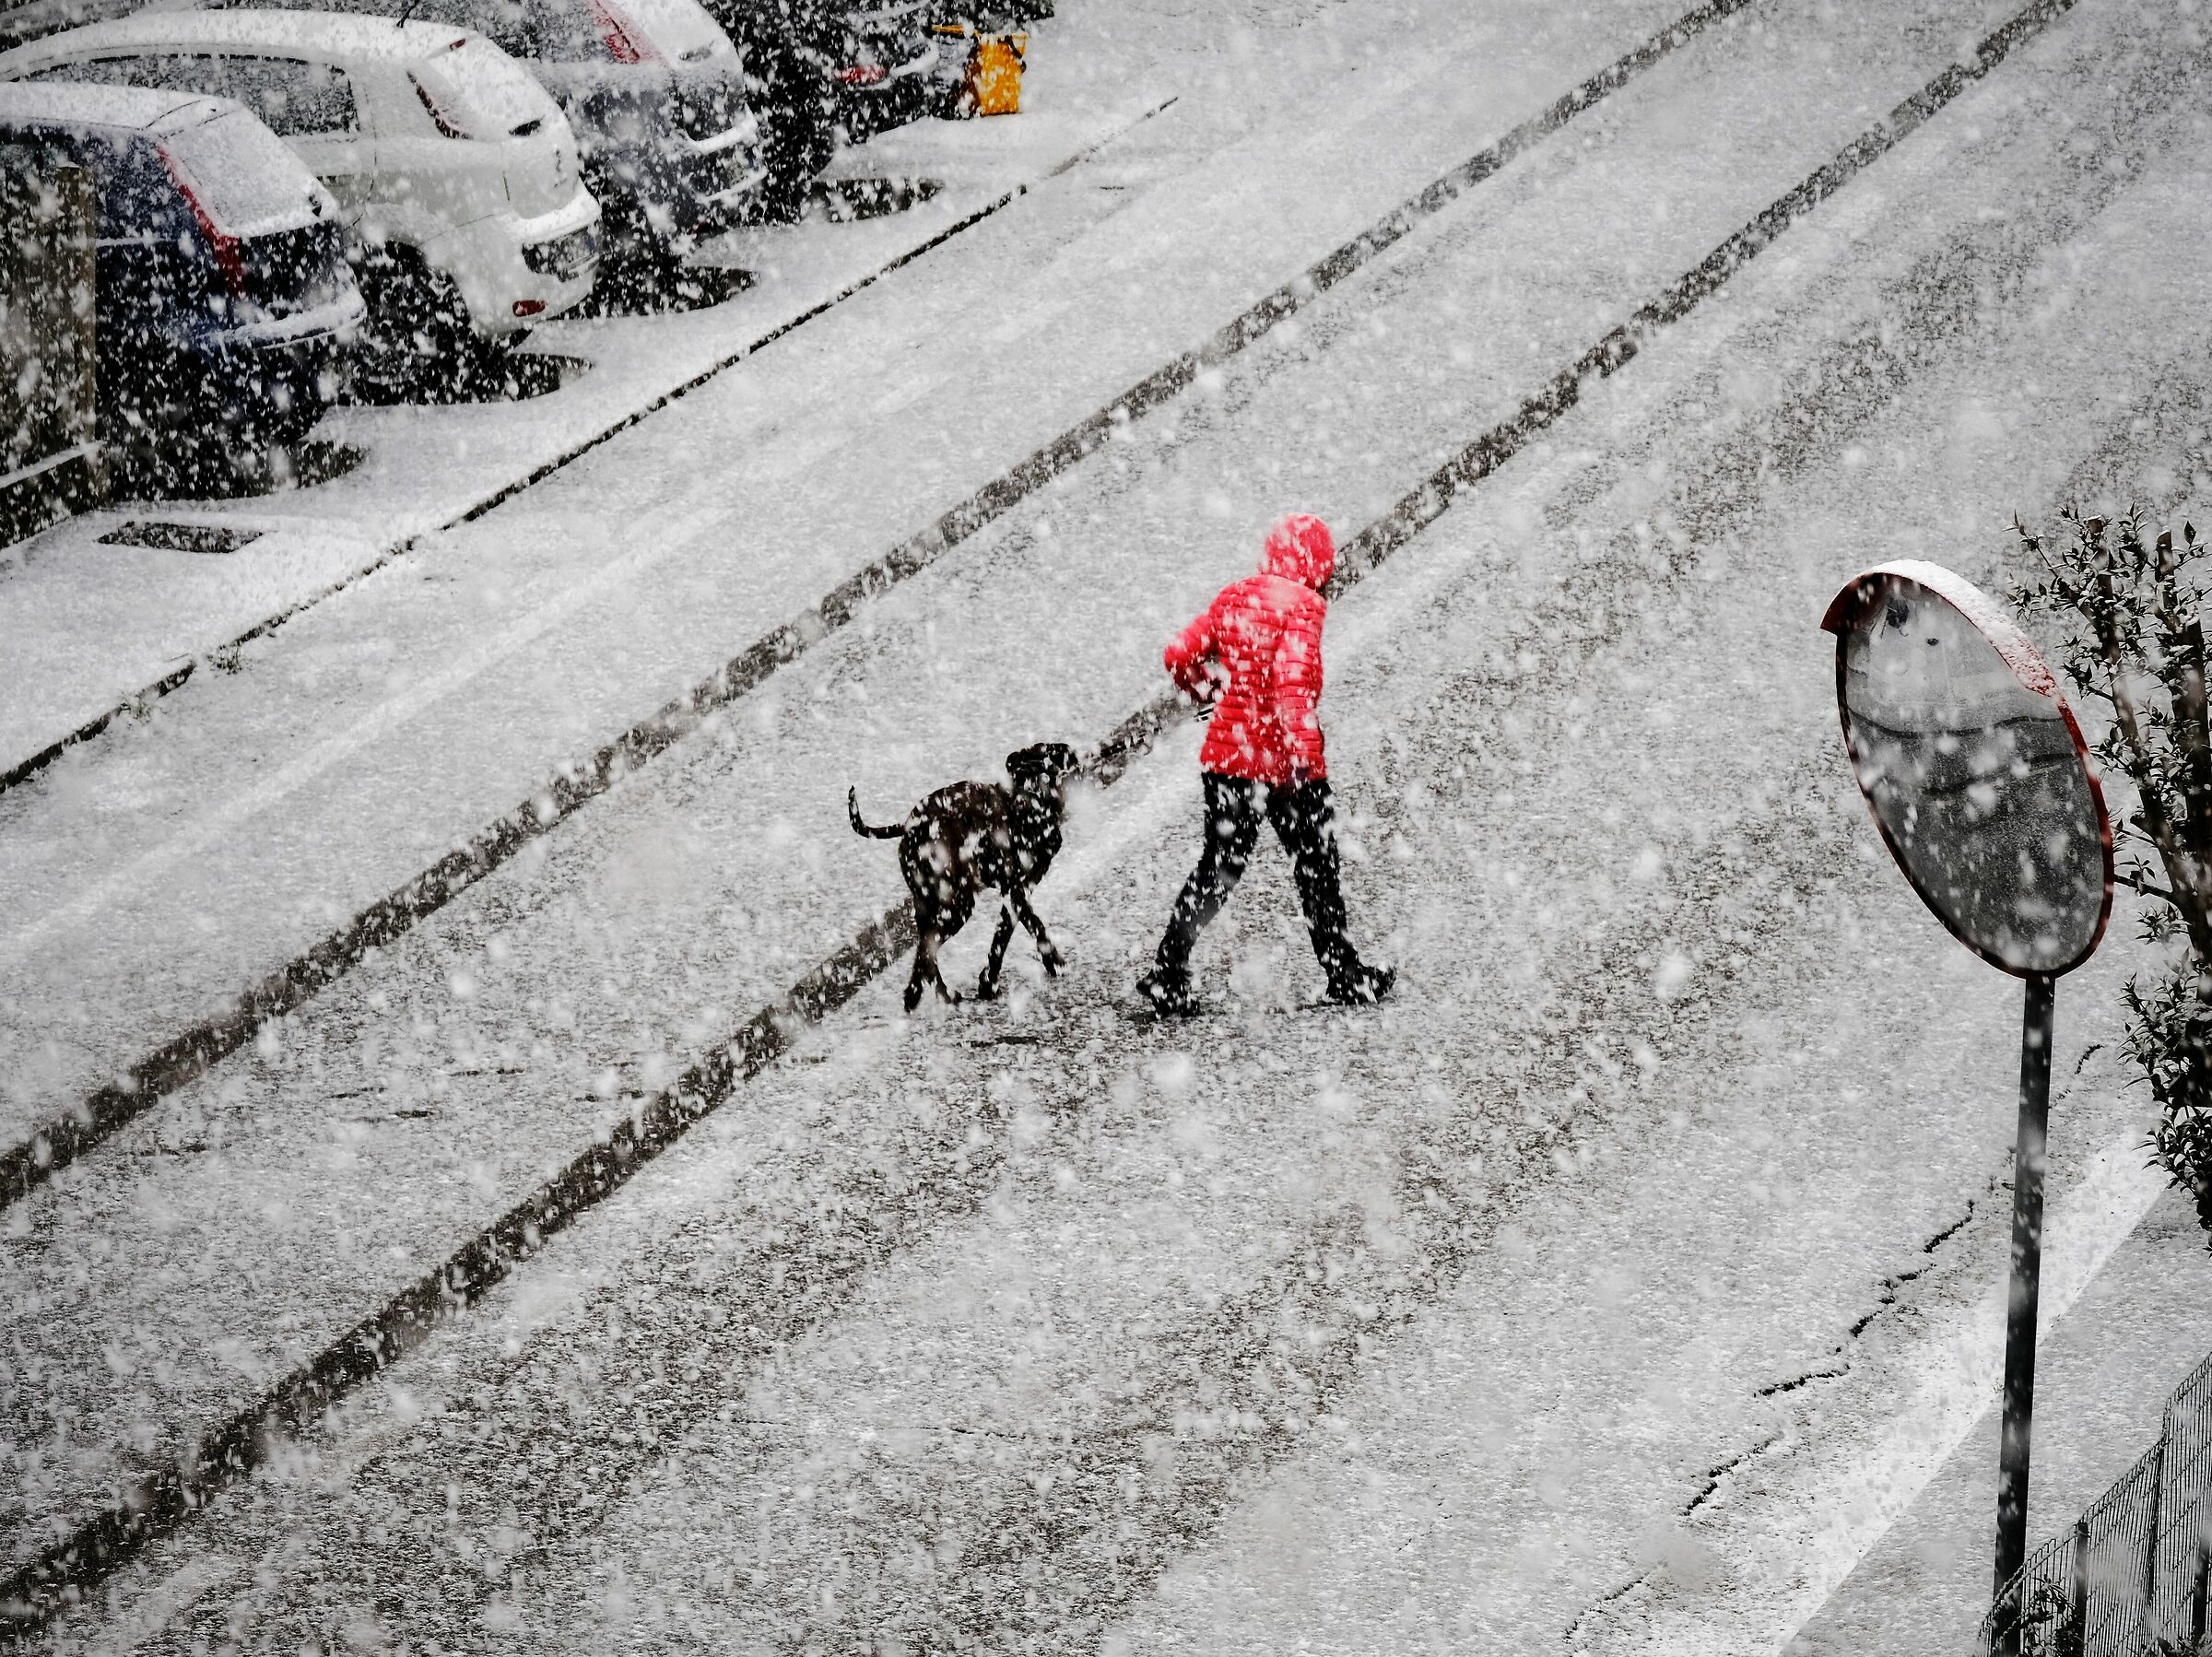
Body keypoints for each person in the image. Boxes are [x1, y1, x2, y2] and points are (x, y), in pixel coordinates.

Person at [1136, 512, 1394, 1017]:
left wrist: (1207, 691)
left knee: (1219, 867)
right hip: (1282, 767)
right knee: (1317, 868)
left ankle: (1169, 972)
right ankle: (1343, 974)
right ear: (1318, 563)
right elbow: (1292, 689)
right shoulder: (1304, 606)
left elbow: (1178, 653)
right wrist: (1306, 765)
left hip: (1227, 759)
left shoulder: (1235, 595)